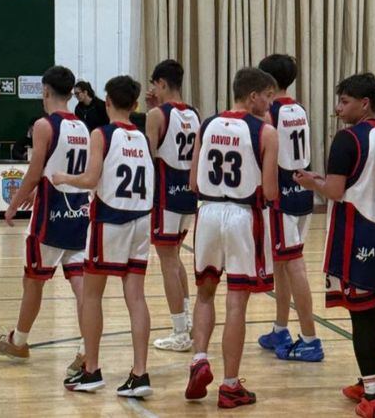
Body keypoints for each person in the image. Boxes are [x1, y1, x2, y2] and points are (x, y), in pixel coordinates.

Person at [295, 72, 375, 418]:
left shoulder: (348, 139)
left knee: (361, 314)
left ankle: (373, 395)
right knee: (369, 310)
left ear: (364, 103)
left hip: (359, 233)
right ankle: (367, 379)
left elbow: (335, 191)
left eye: (344, 102)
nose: (339, 109)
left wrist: (313, 183)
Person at [0, 66, 90, 379]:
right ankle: (87, 349)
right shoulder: (83, 127)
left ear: (45, 91)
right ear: (70, 93)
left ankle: (18, 342)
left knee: (33, 279)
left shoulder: (45, 125)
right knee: (81, 284)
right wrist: (38, 188)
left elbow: (34, 172)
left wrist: (13, 204)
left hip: (51, 215)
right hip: (80, 211)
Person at [185, 67, 278, 409]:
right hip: (241, 215)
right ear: (253, 96)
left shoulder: (207, 124)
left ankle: (199, 359)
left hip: (208, 212)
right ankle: (229, 385)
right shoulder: (265, 132)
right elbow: (271, 191)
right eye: (268, 96)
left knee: (205, 293)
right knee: (236, 301)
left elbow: (193, 182)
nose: (270, 103)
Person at [58, 75, 154, 396]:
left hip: (110, 220)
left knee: (91, 295)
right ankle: (140, 373)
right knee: (136, 297)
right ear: (135, 104)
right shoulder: (142, 138)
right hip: (141, 220)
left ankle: (91, 370)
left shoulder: (101, 134)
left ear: (108, 101)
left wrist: (63, 177)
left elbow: (89, 179)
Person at [256, 54, 323, 362]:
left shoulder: (270, 111)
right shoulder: (299, 108)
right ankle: (280, 328)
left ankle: (310, 338)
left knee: (294, 266)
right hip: (302, 194)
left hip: (281, 196)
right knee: (283, 264)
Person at [144, 59, 201, 353]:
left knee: (168, 261)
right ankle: (186, 322)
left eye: (154, 85)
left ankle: (180, 332)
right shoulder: (194, 113)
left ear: (162, 83)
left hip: (165, 195)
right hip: (188, 194)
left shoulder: (156, 115)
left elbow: (148, 156)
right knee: (175, 258)